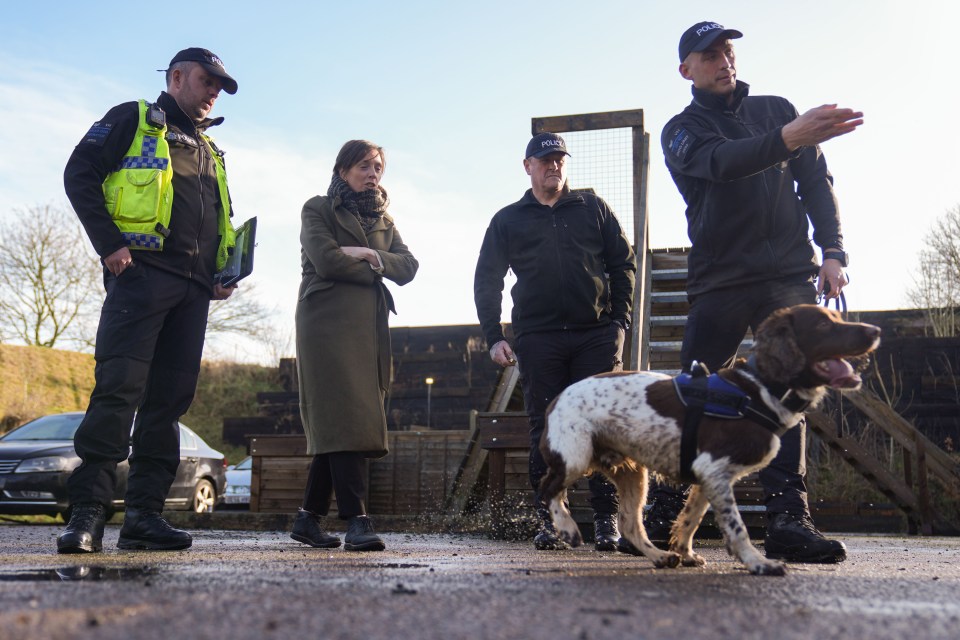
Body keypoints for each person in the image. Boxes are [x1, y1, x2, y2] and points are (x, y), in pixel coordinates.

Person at [653, 21, 863, 563]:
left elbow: (816, 182)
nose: (724, 60)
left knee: (793, 389)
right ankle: (667, 509)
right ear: (686, 70)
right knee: (694, 390)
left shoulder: (775, 109)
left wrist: (834, 251)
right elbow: (724, 165)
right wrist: (793, 136)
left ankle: (790, 520)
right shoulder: (681, 130)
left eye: (728, 50)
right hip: (720, 278)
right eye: (709, 54)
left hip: (787, 273)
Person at [58, 48, 241, 553]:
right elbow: (79, 173)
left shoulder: (209, 150)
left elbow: (216, 223)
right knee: (119, 392)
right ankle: (87, 517)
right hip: (141, 278)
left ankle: (144, 517)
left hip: (194, 293)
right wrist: (110, 244)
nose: (212, 94)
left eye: (220, 89)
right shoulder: (134, 118)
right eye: (208, 82)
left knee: (167, 405)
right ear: (178, 76)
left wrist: (222, 271)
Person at [474, 133, 637, 551]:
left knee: (602, 427)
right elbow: (488, 279)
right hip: (538, 338)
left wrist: (620, 320)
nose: (554, 167)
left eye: (560, 160)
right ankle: (551, 518)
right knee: (546, 429)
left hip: (595, 334)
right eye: (545, 160)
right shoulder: (508, 219)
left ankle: (606, 522)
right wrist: (494, 335)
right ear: (527, 165)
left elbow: (623, 263)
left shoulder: (593, 208)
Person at [290, 140, 419, 552]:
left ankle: (308, 519)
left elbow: (409, 266)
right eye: (364, 165)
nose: (373, 173)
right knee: (346, 415)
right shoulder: (318, 208)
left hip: (368, 329)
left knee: (345, 419)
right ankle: (357, 520)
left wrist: (366, 254)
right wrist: (377, 266)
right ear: (343, 169)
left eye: (378, 166)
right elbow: (326, 261)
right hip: (326, 324)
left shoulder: (385, 219)